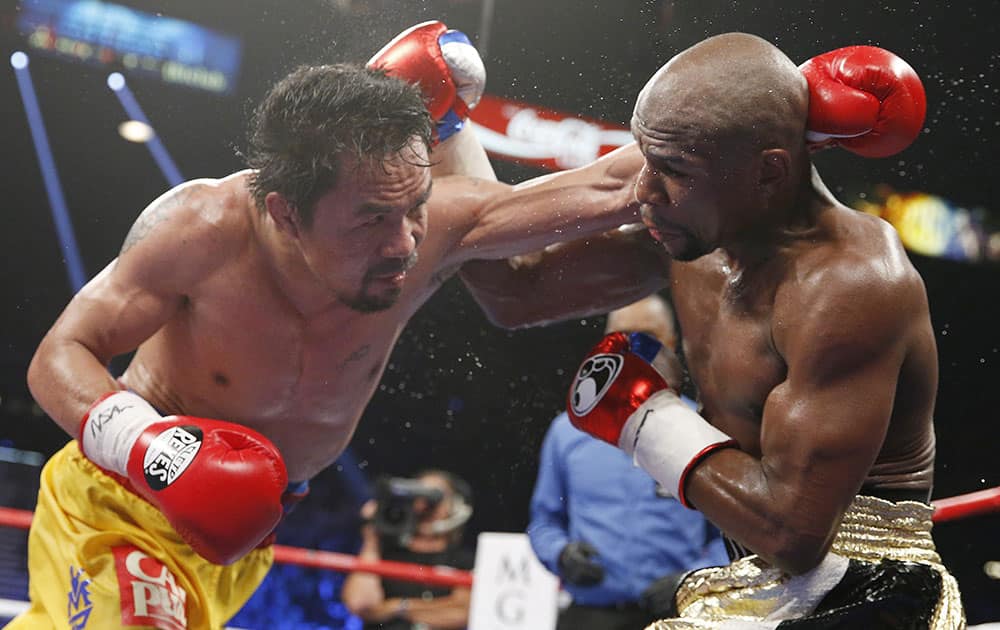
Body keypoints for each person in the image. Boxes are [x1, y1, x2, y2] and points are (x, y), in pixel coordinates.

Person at [13, 21, 647, 629]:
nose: (404, 244)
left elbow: (605, 192)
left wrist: (714, 165)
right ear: (286, 214)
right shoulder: (203, 229)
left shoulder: (429, 225)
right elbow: (60, 354)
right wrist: (153, 452)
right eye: (371, 219)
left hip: (247, 539)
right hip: (122, 506)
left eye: (416, 207)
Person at [459, 34, 965, 627]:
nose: (642, 190)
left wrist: (644, 418)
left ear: (769, 173)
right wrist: (446, 131)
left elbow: (793, 531)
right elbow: (516, 294)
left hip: (866, 588)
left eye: (673, 170)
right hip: (752, 578)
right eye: (646, 158)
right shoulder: (692, 236)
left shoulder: (849, 285)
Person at [528, 295, 728, 630]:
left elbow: (729, 534)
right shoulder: (567, 433)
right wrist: (562, 555)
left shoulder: (702, 427)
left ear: (670, 344)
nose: (633, 350)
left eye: (646, 337)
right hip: (592, 616)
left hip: (681, 615)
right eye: (622, 338)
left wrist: (694, 580)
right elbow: (543, 522)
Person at [342, 470, 475, 630]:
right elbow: (360, 604)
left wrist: (396, 606)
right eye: (418, 494)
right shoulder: (386, 556)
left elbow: (462, 613)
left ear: (455, 505)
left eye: (435, 495)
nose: (425, 504)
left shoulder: (466, 560)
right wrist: (372, 540)